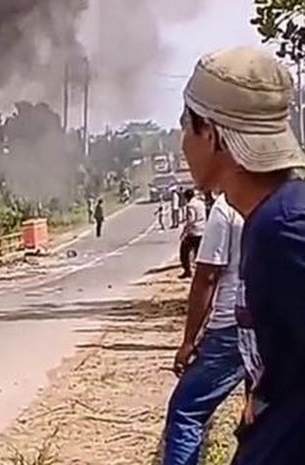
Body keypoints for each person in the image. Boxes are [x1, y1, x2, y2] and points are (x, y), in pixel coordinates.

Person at [181, 46, 305, 464]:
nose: (181, 142)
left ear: (212, 135)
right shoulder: (262, 221)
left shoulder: (284, 230)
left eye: (185, 125)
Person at [162, 193, 246, 465]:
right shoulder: (285, 196)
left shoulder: (226, 207)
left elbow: (207, 277)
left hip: (231, 326)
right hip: (274, 323)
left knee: (186, 411)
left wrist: (189, 341)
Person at [179, 189, 206, 279]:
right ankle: (200, 273)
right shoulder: (201, 203)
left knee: (184, 253)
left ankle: (187, 271)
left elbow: (191, 220)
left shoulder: (190, 206)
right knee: (198, 253)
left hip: (194, 232)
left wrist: (184, 232)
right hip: (202, 229)